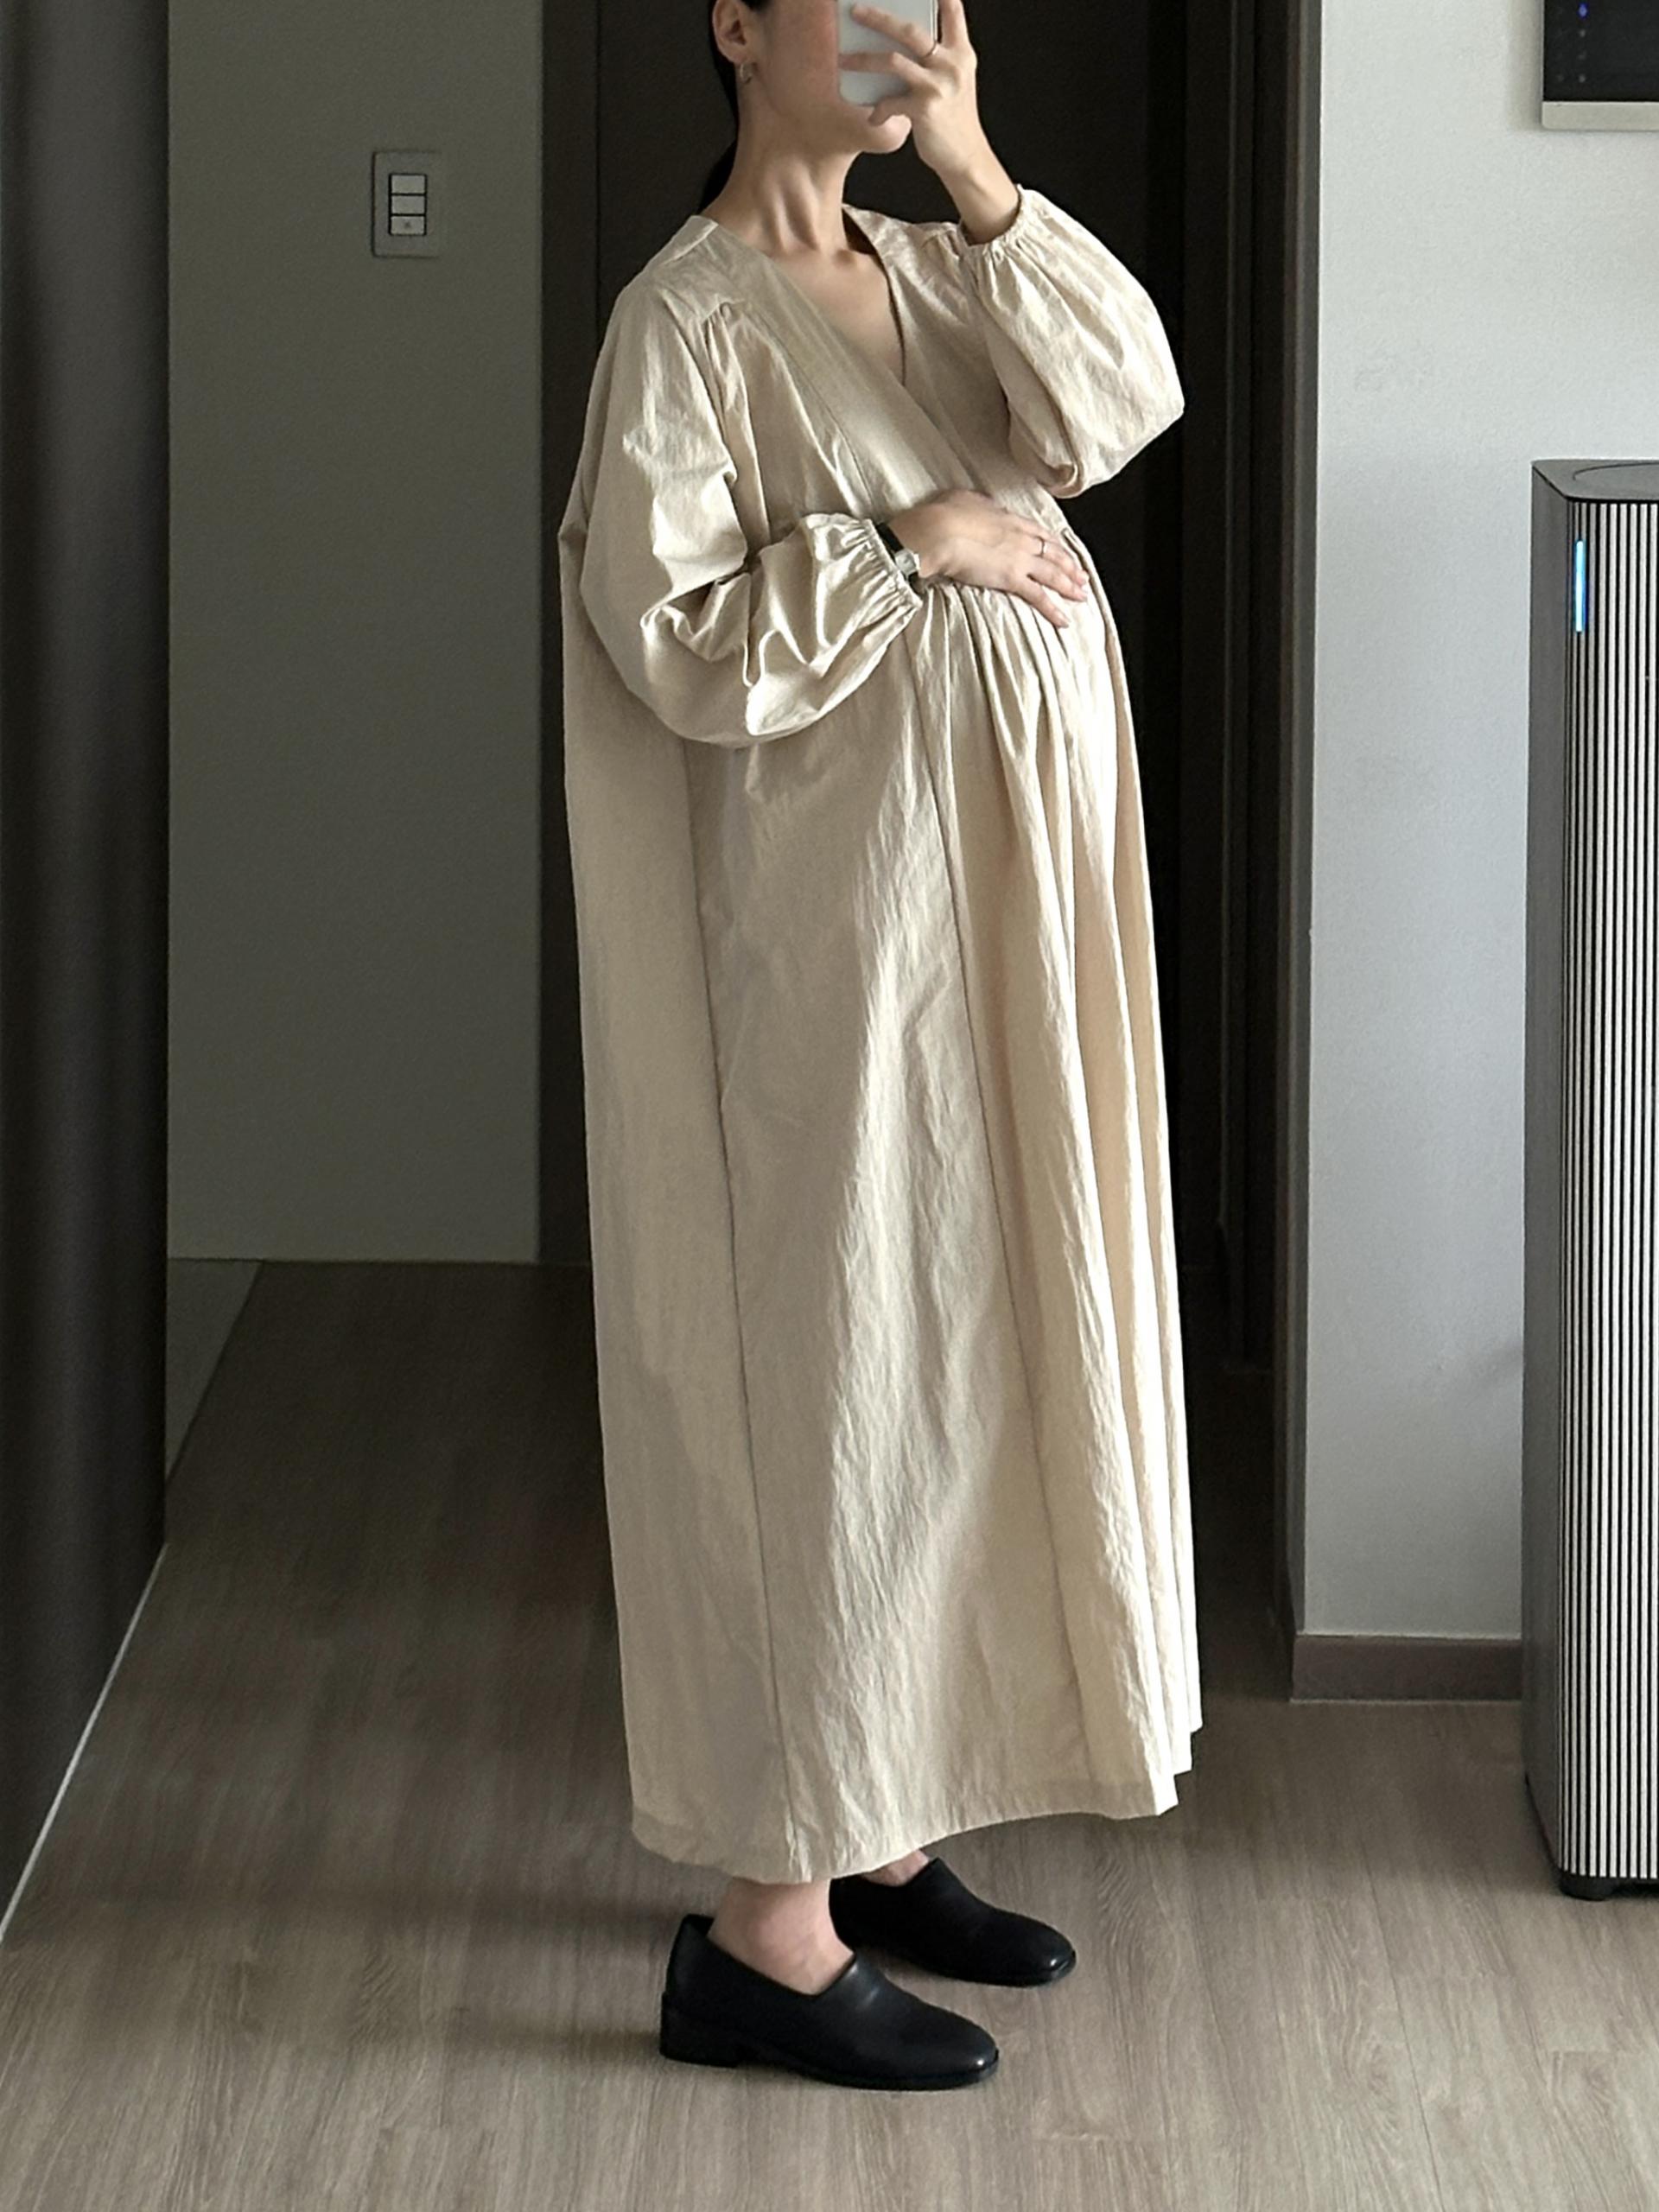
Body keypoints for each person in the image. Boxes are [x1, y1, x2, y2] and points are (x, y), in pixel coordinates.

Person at [555, 0, 1200, 2094]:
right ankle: (766, 1924)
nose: (901, 20)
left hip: (1014, 922)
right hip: (840, 943)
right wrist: (914, 540)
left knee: (972, 1345)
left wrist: (985, 177)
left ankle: (881, 1820)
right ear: (738, 27)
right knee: (842, 1362)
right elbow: (671, 637)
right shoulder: (685, 323)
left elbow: (1123, 401)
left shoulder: (939, 266)